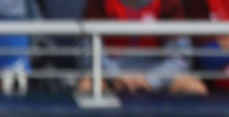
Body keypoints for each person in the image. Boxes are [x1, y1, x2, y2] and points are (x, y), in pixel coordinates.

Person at [76, 0, 209, 96]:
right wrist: (116, 75)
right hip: (111, 74)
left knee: (194, 88)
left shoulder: (169, 3)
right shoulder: (99, 2)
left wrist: (151, 80)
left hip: (157, 74)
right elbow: (88, 51)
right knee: (87, 86)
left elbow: (180, 58)